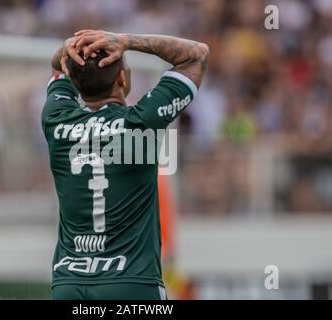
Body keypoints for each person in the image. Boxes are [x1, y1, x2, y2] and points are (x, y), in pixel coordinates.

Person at [42, 30, 209, 300]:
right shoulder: (142, 122)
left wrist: (71, 46)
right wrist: (126, 41)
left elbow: (57, 65)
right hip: (132, 283)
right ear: (122, 77)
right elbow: (197, 54)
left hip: (68, 284)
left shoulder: (56, 121)